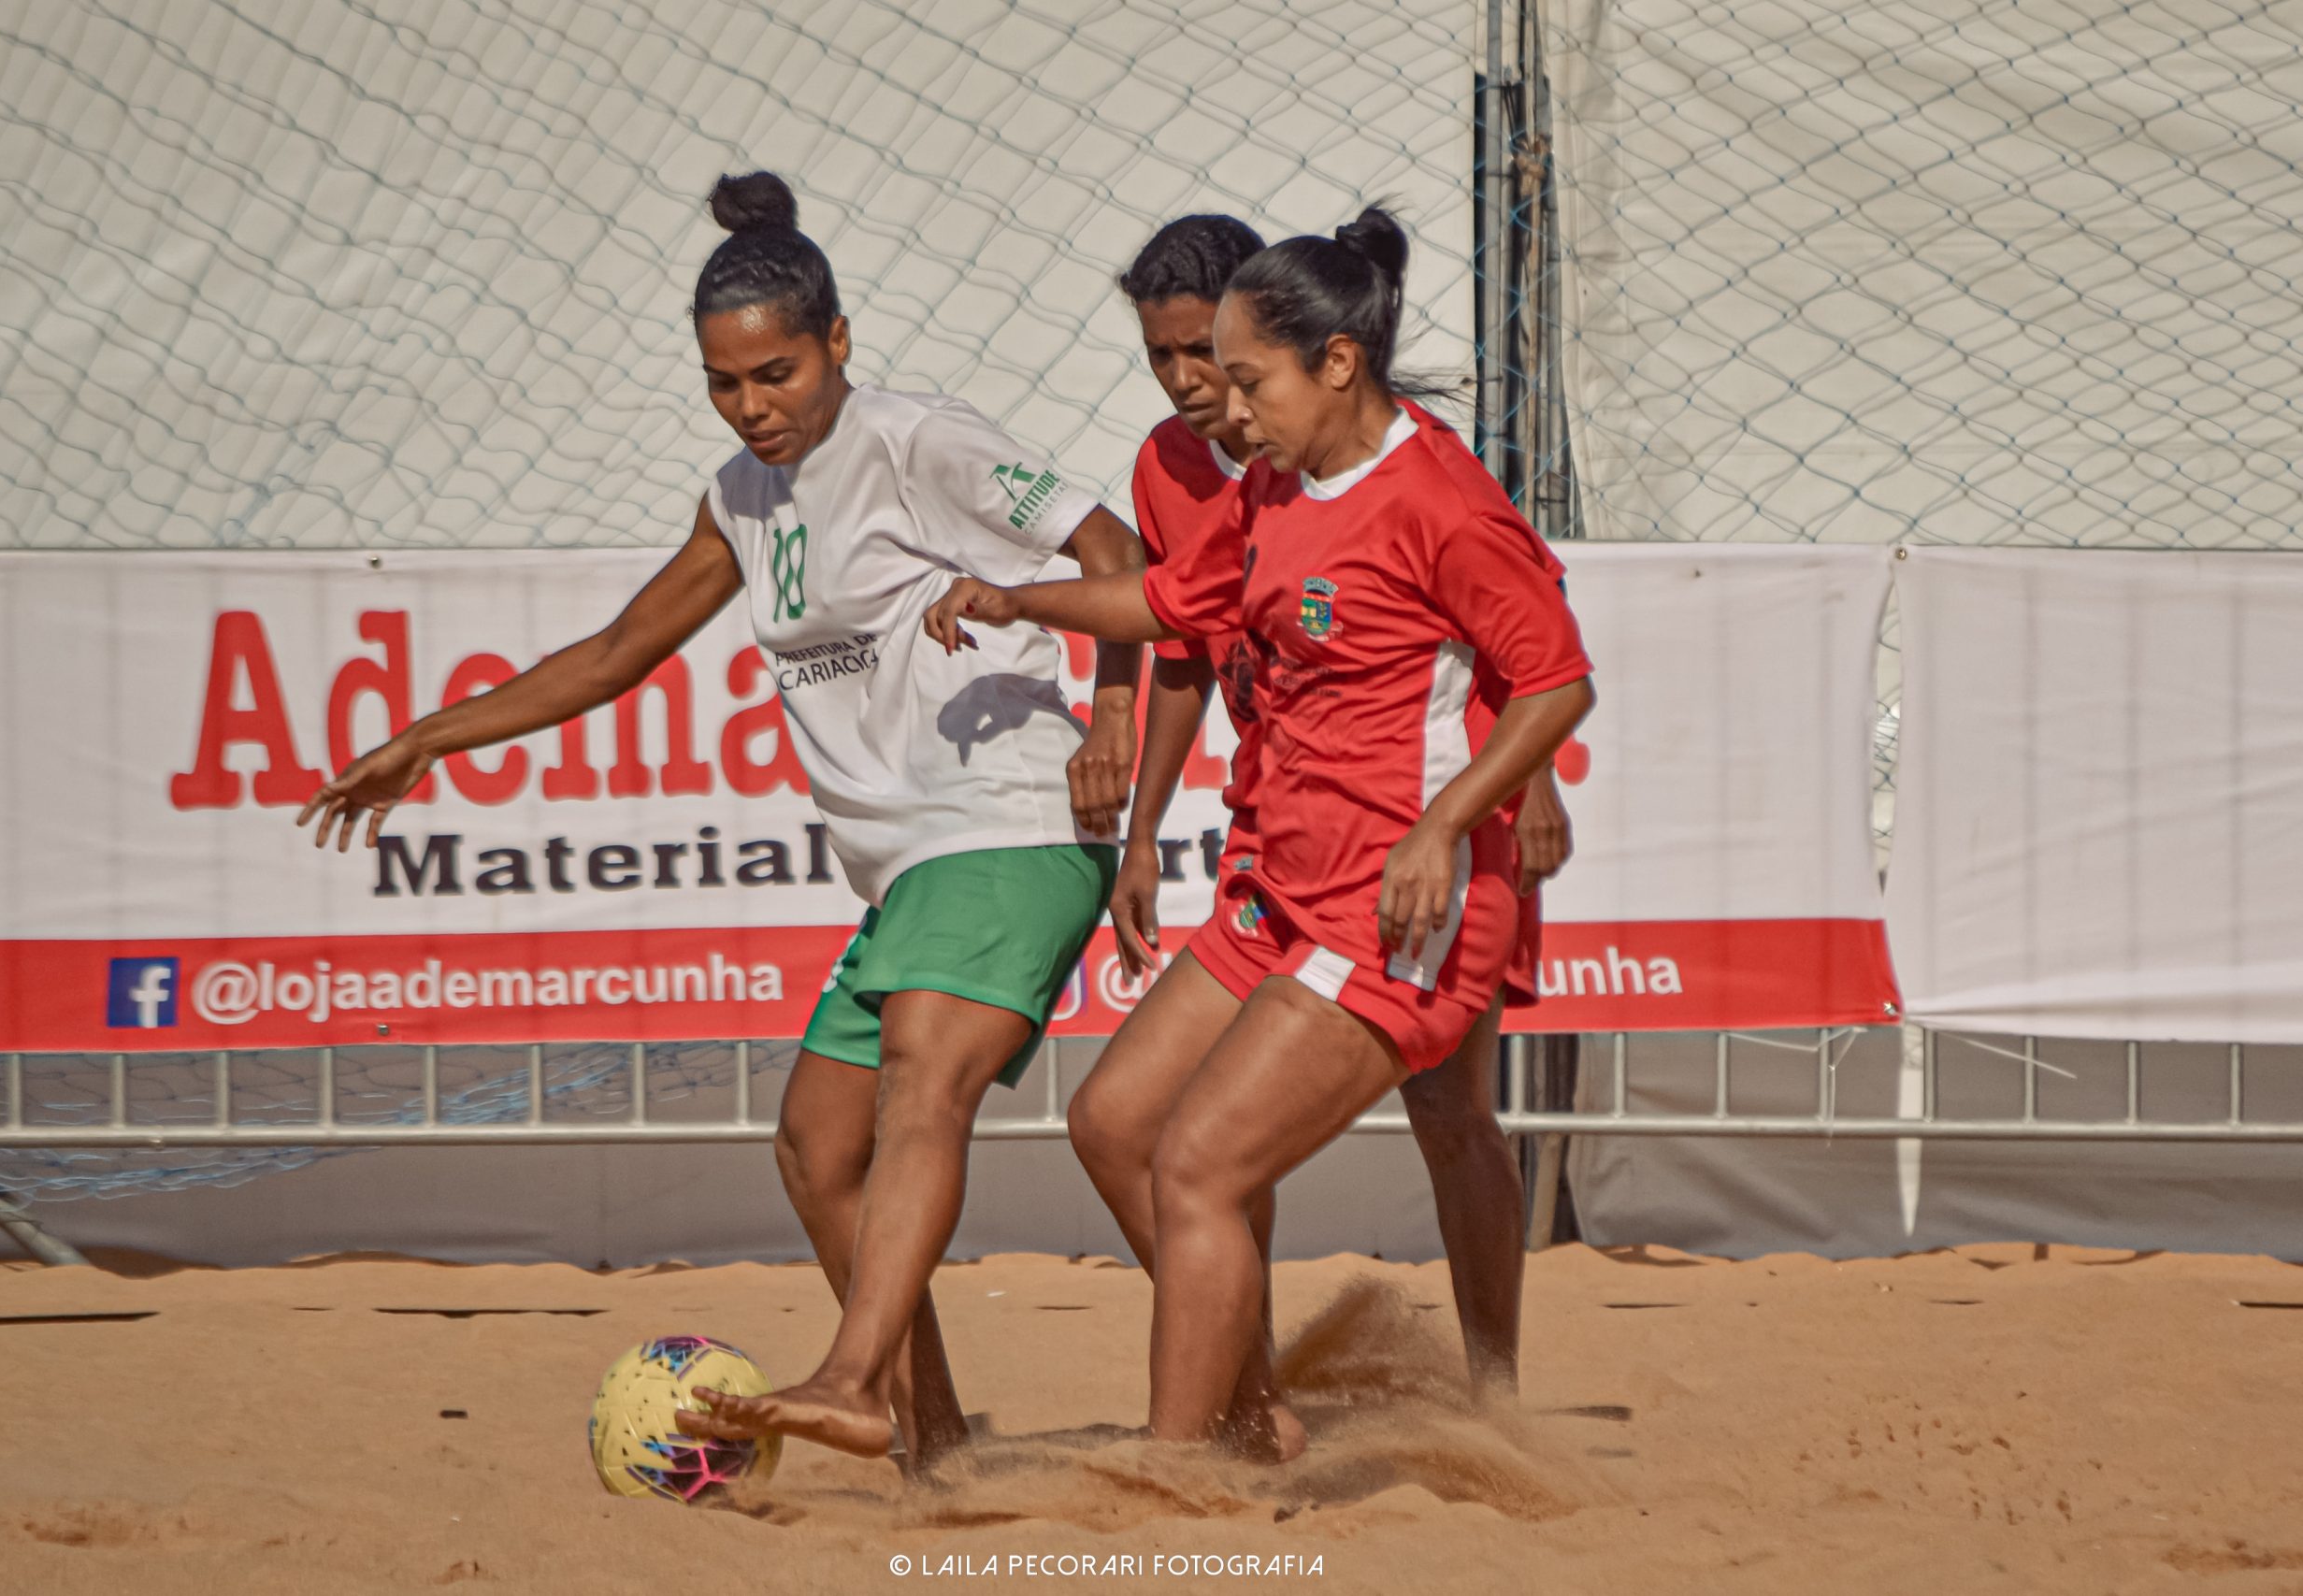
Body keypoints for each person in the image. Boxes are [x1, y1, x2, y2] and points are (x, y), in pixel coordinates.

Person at [295, 172, 1144, 1466]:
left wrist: (1120, 721)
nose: (754, 407)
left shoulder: (920, 442)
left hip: (1011, 820)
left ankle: (859, 1382)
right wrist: (429, 737)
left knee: (923, 1087)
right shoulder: (738, 497)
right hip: (914, 867)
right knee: (814, 1146)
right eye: (725, 384)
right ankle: (939, 1445)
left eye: (780, 375)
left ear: (840, 345)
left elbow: (1118, 552)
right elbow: (622, 648)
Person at [922, 208, 1594, 1445]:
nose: (1213, 402)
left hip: (1403, 898)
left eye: (1234, 374)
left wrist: (1458, 818)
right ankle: (1255, 1407)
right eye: (1184, 368)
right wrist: (1017, 598)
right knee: (1117, 1126)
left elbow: (1551, 673)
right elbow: (1173, 606)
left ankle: (1206, 1468)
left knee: (1260, 1153)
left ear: (1334, 361)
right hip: (1281, 878)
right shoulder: (1273, 481)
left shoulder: (1438, 496)